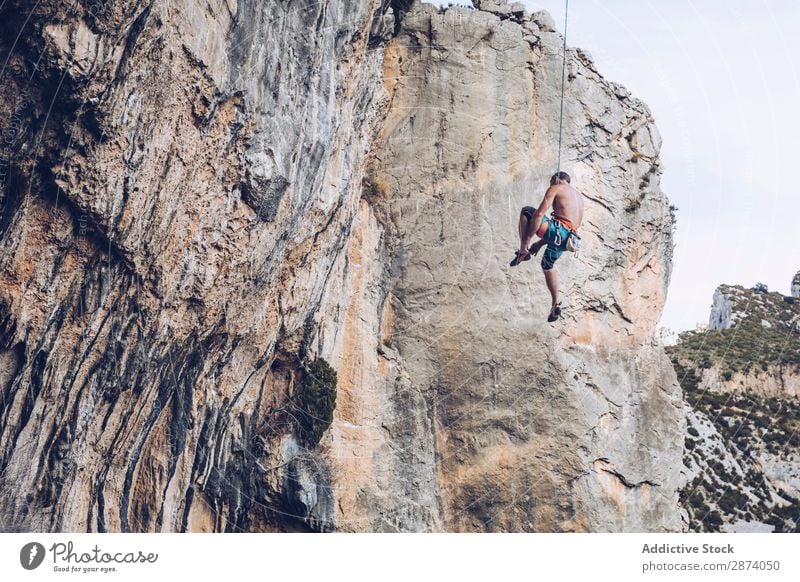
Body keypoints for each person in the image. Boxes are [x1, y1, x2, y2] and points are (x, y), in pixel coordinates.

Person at [509, 171, 584, 322]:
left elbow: (539, 213)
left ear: (557, 179)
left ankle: (523, 251)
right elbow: (565, 228)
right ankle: (555, 303)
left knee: (528, 212)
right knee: (547, 265)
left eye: (551, 182)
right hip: (569, 240)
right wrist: (539, 243)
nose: (550, 185)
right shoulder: (578, 198)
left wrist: (527, 243)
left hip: (558, 232)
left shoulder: (556, 187)